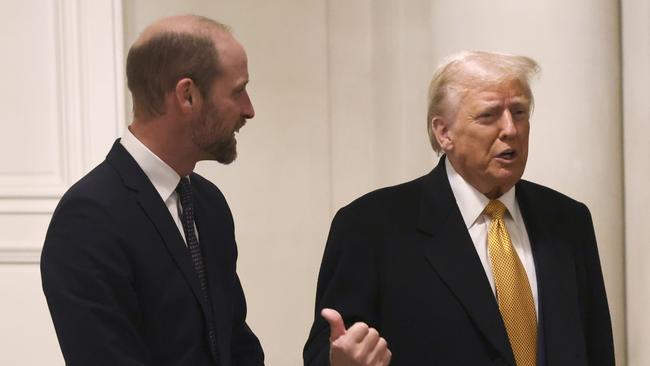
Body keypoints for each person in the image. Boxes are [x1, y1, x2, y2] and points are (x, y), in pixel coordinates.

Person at [303, 51, 615, 366]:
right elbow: (326, 352)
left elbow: (597, 349)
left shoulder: (568, 220)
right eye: (489, 115)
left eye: (519, 112)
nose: (510, 129)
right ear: (444, 133)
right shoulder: (371, 226)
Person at [41, 15, 264, 365]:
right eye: (237, 91)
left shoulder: (209, 204)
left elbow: (236, 346)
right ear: (187, 96)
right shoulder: (88, 219)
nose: (249, 110)